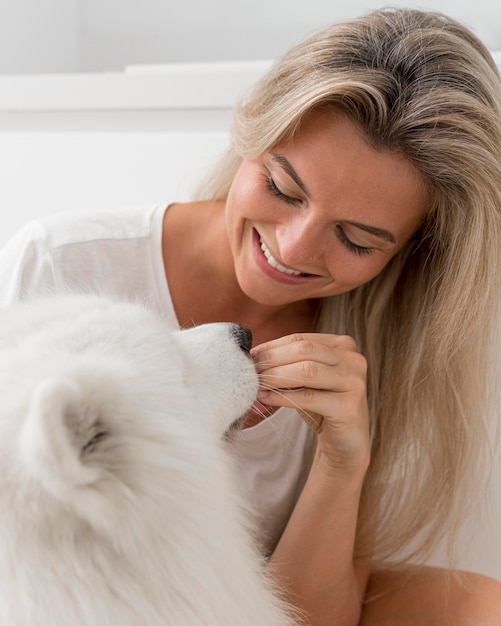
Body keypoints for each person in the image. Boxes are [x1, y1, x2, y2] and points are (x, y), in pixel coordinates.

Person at [0, 7, 500, 625]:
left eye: (357, 239)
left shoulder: (379, 343)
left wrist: (342, 462)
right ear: (253, 134)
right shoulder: (58, 266)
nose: (291, 249)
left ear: (410, 252)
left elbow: (306, 619)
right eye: (284, 189)